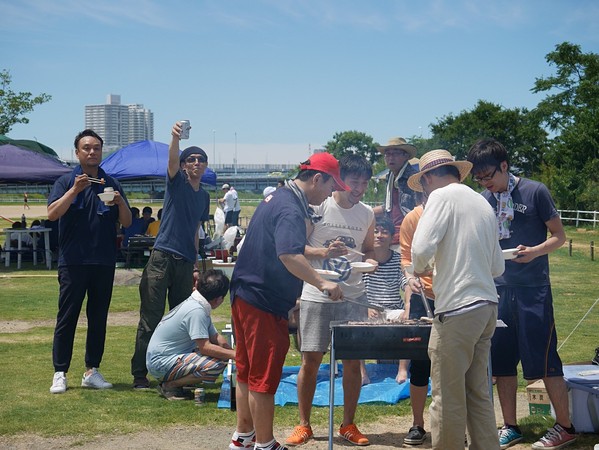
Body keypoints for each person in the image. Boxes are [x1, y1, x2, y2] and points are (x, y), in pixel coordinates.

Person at [228, 152, 345, 450]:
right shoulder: (292, 208)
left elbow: (283, 243)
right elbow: (288, 255)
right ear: (317, 179)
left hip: (244, 295)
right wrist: (322, 283)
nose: (332, 193)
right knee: (264, 377)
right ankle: (265, 444)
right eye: (332, 186)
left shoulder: (278, 198)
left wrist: (320, 254)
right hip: (264, 301)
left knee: (246, 371)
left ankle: (243, 436)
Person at [467, 138, 575, 450]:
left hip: (533, 290)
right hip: (497, 289)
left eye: (490, 176)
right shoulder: (484, 200)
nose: (487, 184)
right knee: (501, 362)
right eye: (480, 179)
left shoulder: (534, 191)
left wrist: (536, 252)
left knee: (544, 361)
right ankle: (510, 426)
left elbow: (559, 236)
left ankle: (565, 427)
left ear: (504, 166)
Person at [409, 149, 504, 450]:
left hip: (458, 310)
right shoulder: (482, 202)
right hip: (487, 307)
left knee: (447, 398)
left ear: (427, 178)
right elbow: (498, 266)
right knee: (477, 393)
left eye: (423, 184)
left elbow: (421, 248)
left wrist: (421, 268)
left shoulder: (439, 197)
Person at [286, 154, 377, 447]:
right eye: (354, 181)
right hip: (317, 293)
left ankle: (348, 424)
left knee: (353, 362)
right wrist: (325, 254)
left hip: (353, 293)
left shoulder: (366, 214)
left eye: (364, 182)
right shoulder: (320, 206)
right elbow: (296, 246)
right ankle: (304, 425)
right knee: (311, 360)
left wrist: (372, 262)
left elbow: (369, 249)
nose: (359, 188)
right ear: (339, 180)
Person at [47, 129, 132, 394]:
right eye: (86, 148)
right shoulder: (65, 181)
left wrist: (119, 203)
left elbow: (127, 222)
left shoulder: (111, 182)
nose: (92, 152)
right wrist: (75, 190)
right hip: (73, 262)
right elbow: (52, 214)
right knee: (67, 317)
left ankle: (91, 370)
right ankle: (60, 372)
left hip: (103, 261)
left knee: (98, 318)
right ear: (77, 152)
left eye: (96, 148)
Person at [131, 121, 210, 390]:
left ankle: (176, 372)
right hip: (162, 258)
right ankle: (140, 374)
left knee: (183, 321)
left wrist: (197, 264)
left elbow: (196, 230)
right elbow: (172, 161)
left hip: (186, 262)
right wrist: (175, 138)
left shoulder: (205, 196)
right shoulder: (176, 183)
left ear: (205, 166)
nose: (196, 163)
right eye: (192, 159)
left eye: (201, 160)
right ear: (185, 165)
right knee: (150, 317)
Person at [146, 269, 235, 400]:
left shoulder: (198, 303)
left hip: (162, 359)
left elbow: (215, 337)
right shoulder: (196, 311)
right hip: (160, 363)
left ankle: (180, 382)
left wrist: (231, 352)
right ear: (218, 299)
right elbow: (206, 347)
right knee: (216, 365)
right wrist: (236, 355)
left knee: (222, 357)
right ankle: (170, 385)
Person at [399, 191, 436, 446]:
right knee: (420, 363)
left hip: (455, 294)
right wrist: (411, 279)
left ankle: (452, 423)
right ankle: (418, 424)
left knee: (454, 366)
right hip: (424, 296)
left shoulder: (456, 212)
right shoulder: (413, 217)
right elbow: (405, 257)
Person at [362, 215, 409, 385]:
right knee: (354, 319)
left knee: (408, 317)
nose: (379, 235)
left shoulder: (397, 260)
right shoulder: (363, 260)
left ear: (391, 237)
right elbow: (355, 288)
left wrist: (409, 303)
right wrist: (366, 307)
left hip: (392, 310)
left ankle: (403, 369)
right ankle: (362, 373)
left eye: (384, 232)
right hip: (368, 309)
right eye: (375, 232)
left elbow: (406, 284)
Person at [372, 137, 418, 250]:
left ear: (406, 156)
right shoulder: (390, 177)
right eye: (387, 154)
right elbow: (389, 207)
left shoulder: (414, 178)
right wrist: (365, 211)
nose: (390, 158)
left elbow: (419, 209)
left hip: (408, 236)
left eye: (395, 154)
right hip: (391, 234)